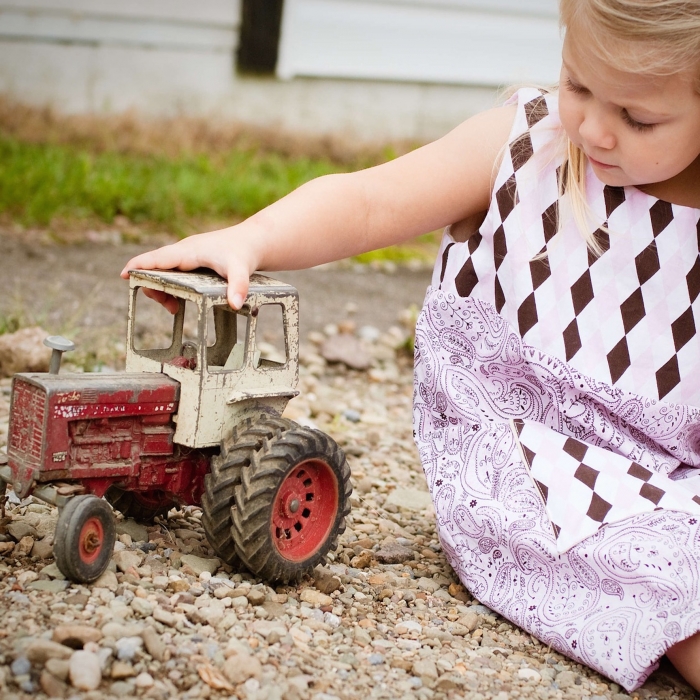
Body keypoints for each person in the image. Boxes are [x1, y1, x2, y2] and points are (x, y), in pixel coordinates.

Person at [122, 0, 700, 691]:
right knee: (672, 570)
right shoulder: (529, 150)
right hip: (536, 453)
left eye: (638, 118)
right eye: (577, 84)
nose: (594, 127)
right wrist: (251, 239)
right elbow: (370, 201)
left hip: (675, 462)